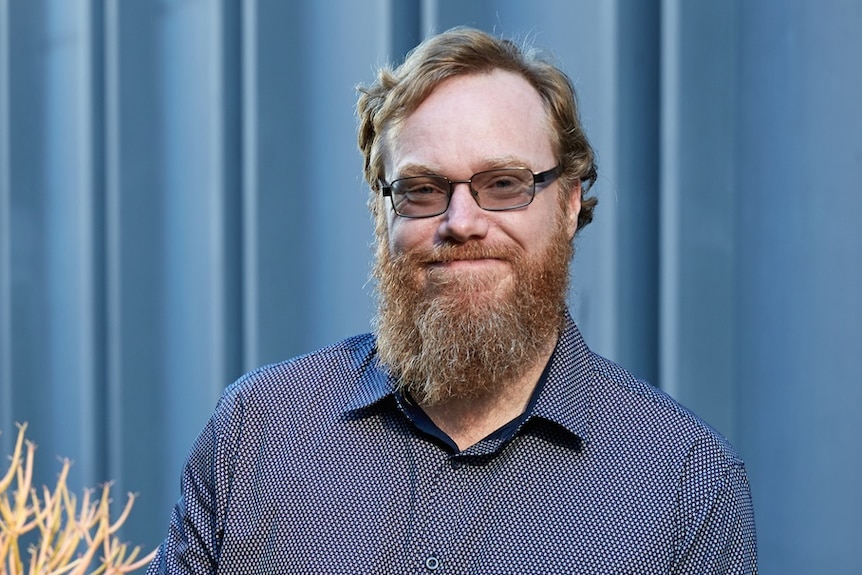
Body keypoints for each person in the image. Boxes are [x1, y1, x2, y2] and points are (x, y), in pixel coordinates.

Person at [148, 27, 757, 574]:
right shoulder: (257, 434)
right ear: (381, 212)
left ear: (569, 203)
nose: (461, 222)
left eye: (503, 184)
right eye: (422, 188)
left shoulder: (686, 485)